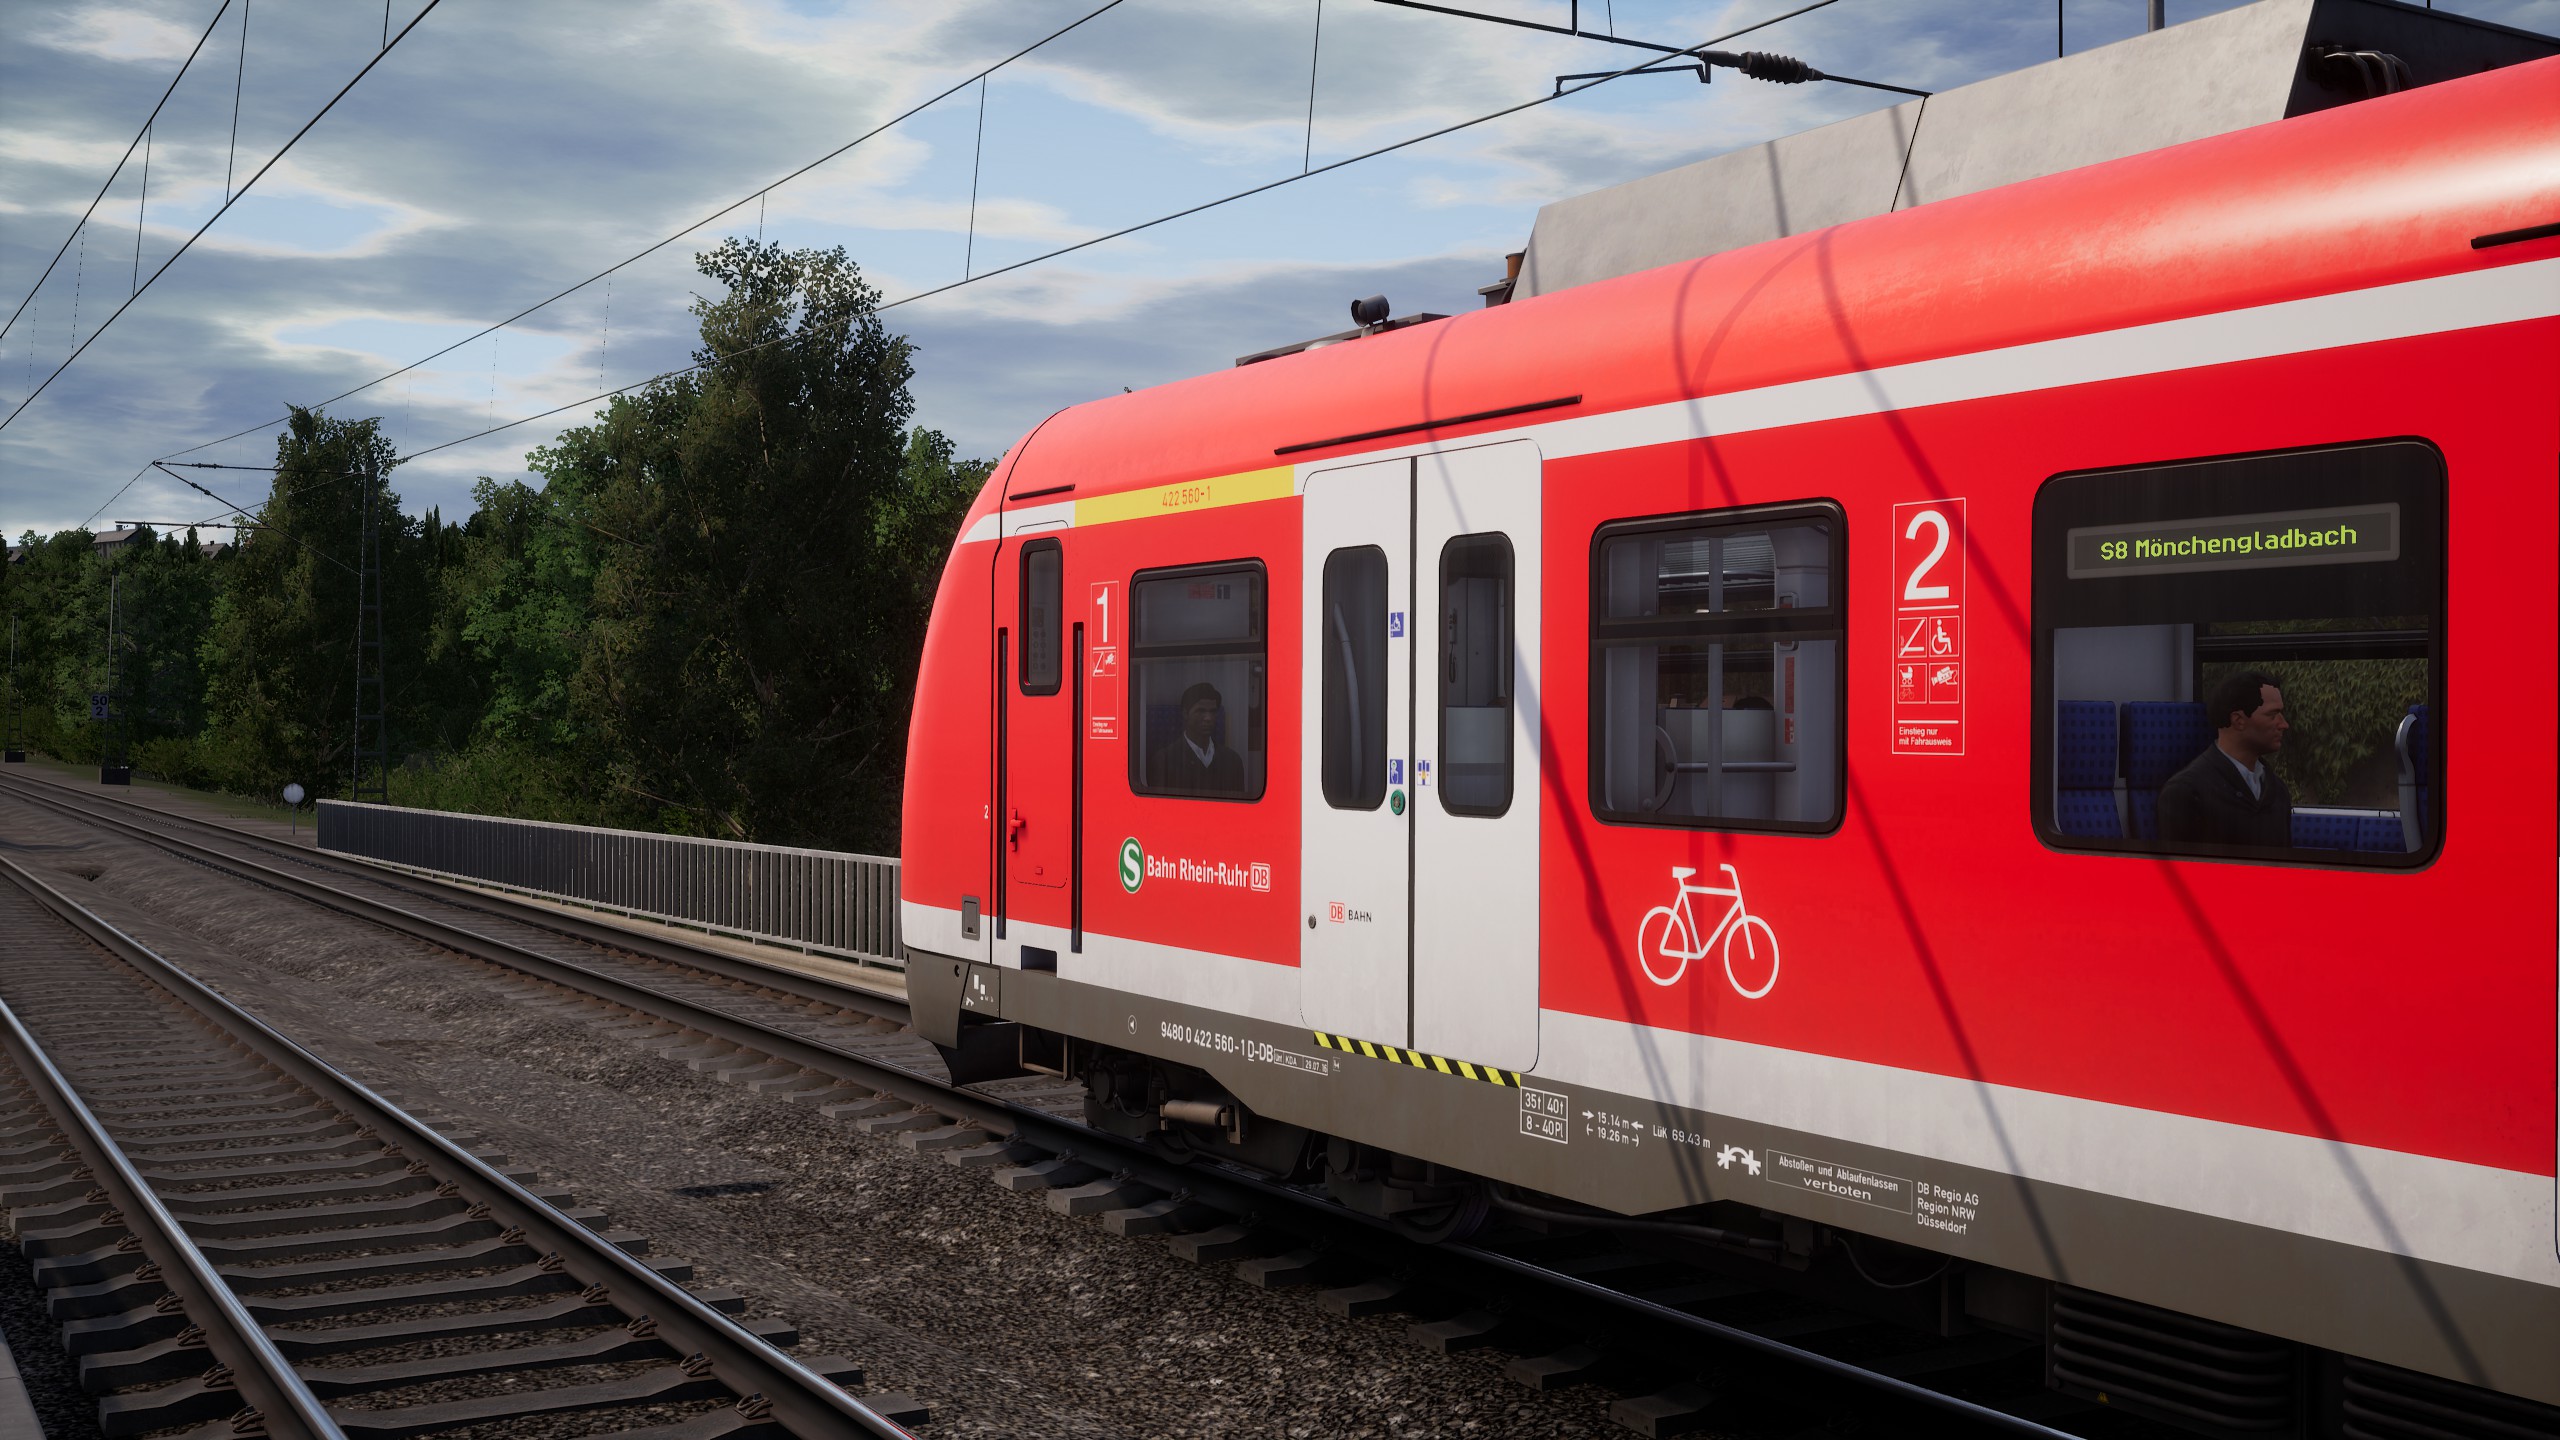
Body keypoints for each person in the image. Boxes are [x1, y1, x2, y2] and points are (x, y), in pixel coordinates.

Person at [2158, 670, 2292, 847]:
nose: (2284, 724)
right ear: (2238, 720)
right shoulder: (2186, 791)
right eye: (2272, 715)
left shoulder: (2277, 791)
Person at [1148, 681, 1246, 795]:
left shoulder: (1233, 761)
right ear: (1185, 714)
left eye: (1212, 712)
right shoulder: (1164, 761)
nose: (1208, 718)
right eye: (1201, 711)